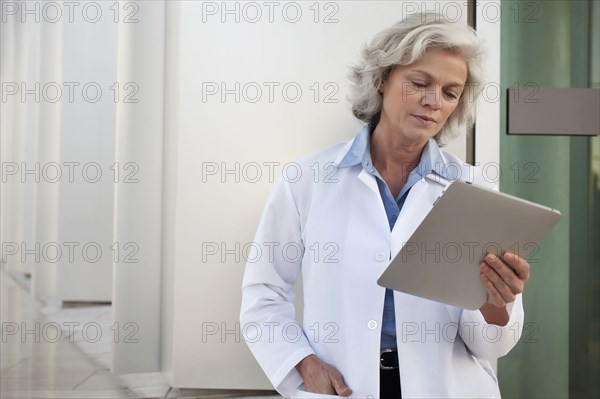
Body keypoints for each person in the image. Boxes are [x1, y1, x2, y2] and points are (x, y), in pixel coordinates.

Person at [240, 12, 529, 398]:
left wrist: (496, 304)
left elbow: (491, 346)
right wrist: (301, 364)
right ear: (381, 80)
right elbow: (263, 294)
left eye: (450, 92)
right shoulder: (307, 180)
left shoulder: (474, 190)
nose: (433, 102)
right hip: (344, 389)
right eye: (419, 83)